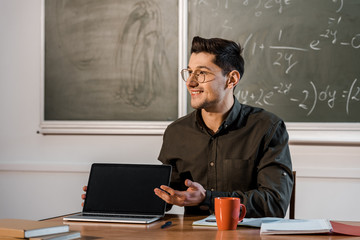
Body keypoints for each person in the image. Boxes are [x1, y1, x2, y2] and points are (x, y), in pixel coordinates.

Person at [153, 36, 293, 218]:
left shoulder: (267, 128)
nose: (190, 82)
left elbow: (274, 203)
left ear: (231, 79)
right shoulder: (177, 132)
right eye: (189, 72)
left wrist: (208, 198)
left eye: (201, 73)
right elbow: (165, 197)